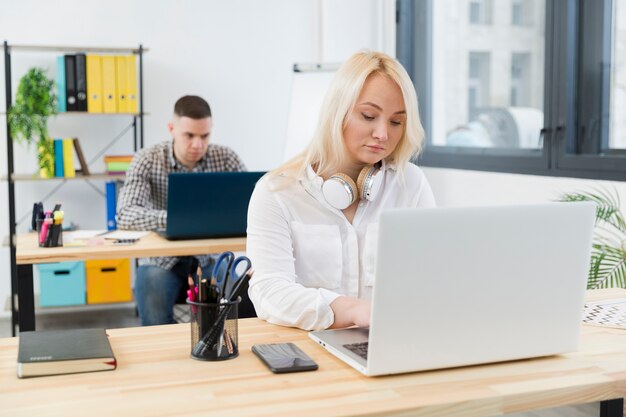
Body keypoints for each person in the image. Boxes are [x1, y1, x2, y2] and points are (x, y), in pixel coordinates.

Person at [246, 51, 436, 331]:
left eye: (396, 122)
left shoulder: (411, 183)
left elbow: (433, 275)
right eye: (369, 116)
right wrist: (353, 310)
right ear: (337, 112)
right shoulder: (276, 192)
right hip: (309, 350)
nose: (383, 134)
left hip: (391, 342)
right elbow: (270, 291)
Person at [117, 95, 246, 326]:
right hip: (161, 260)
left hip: (212, 257)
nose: (198, 144)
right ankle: (164, 357)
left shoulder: (226, 158)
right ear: (172, 129)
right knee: (154, 313)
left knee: (240, 307)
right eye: (189, 135)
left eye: (205, 136)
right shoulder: (147, 159)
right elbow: (125, 214)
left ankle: (219, 350)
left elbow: (251, 208)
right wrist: (179, 219)